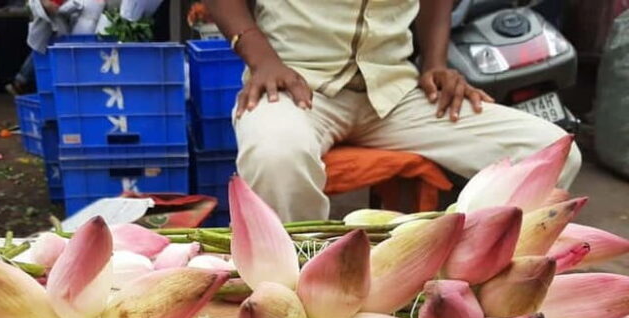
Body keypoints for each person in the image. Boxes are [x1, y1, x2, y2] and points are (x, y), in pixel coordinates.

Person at [204, 0, 582, 222]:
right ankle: (295, 281)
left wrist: (435, 64)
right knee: (277, 156)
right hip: (295, 84)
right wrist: (262, 60)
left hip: (394, 92)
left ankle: (473, 266)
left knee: (550, 152)